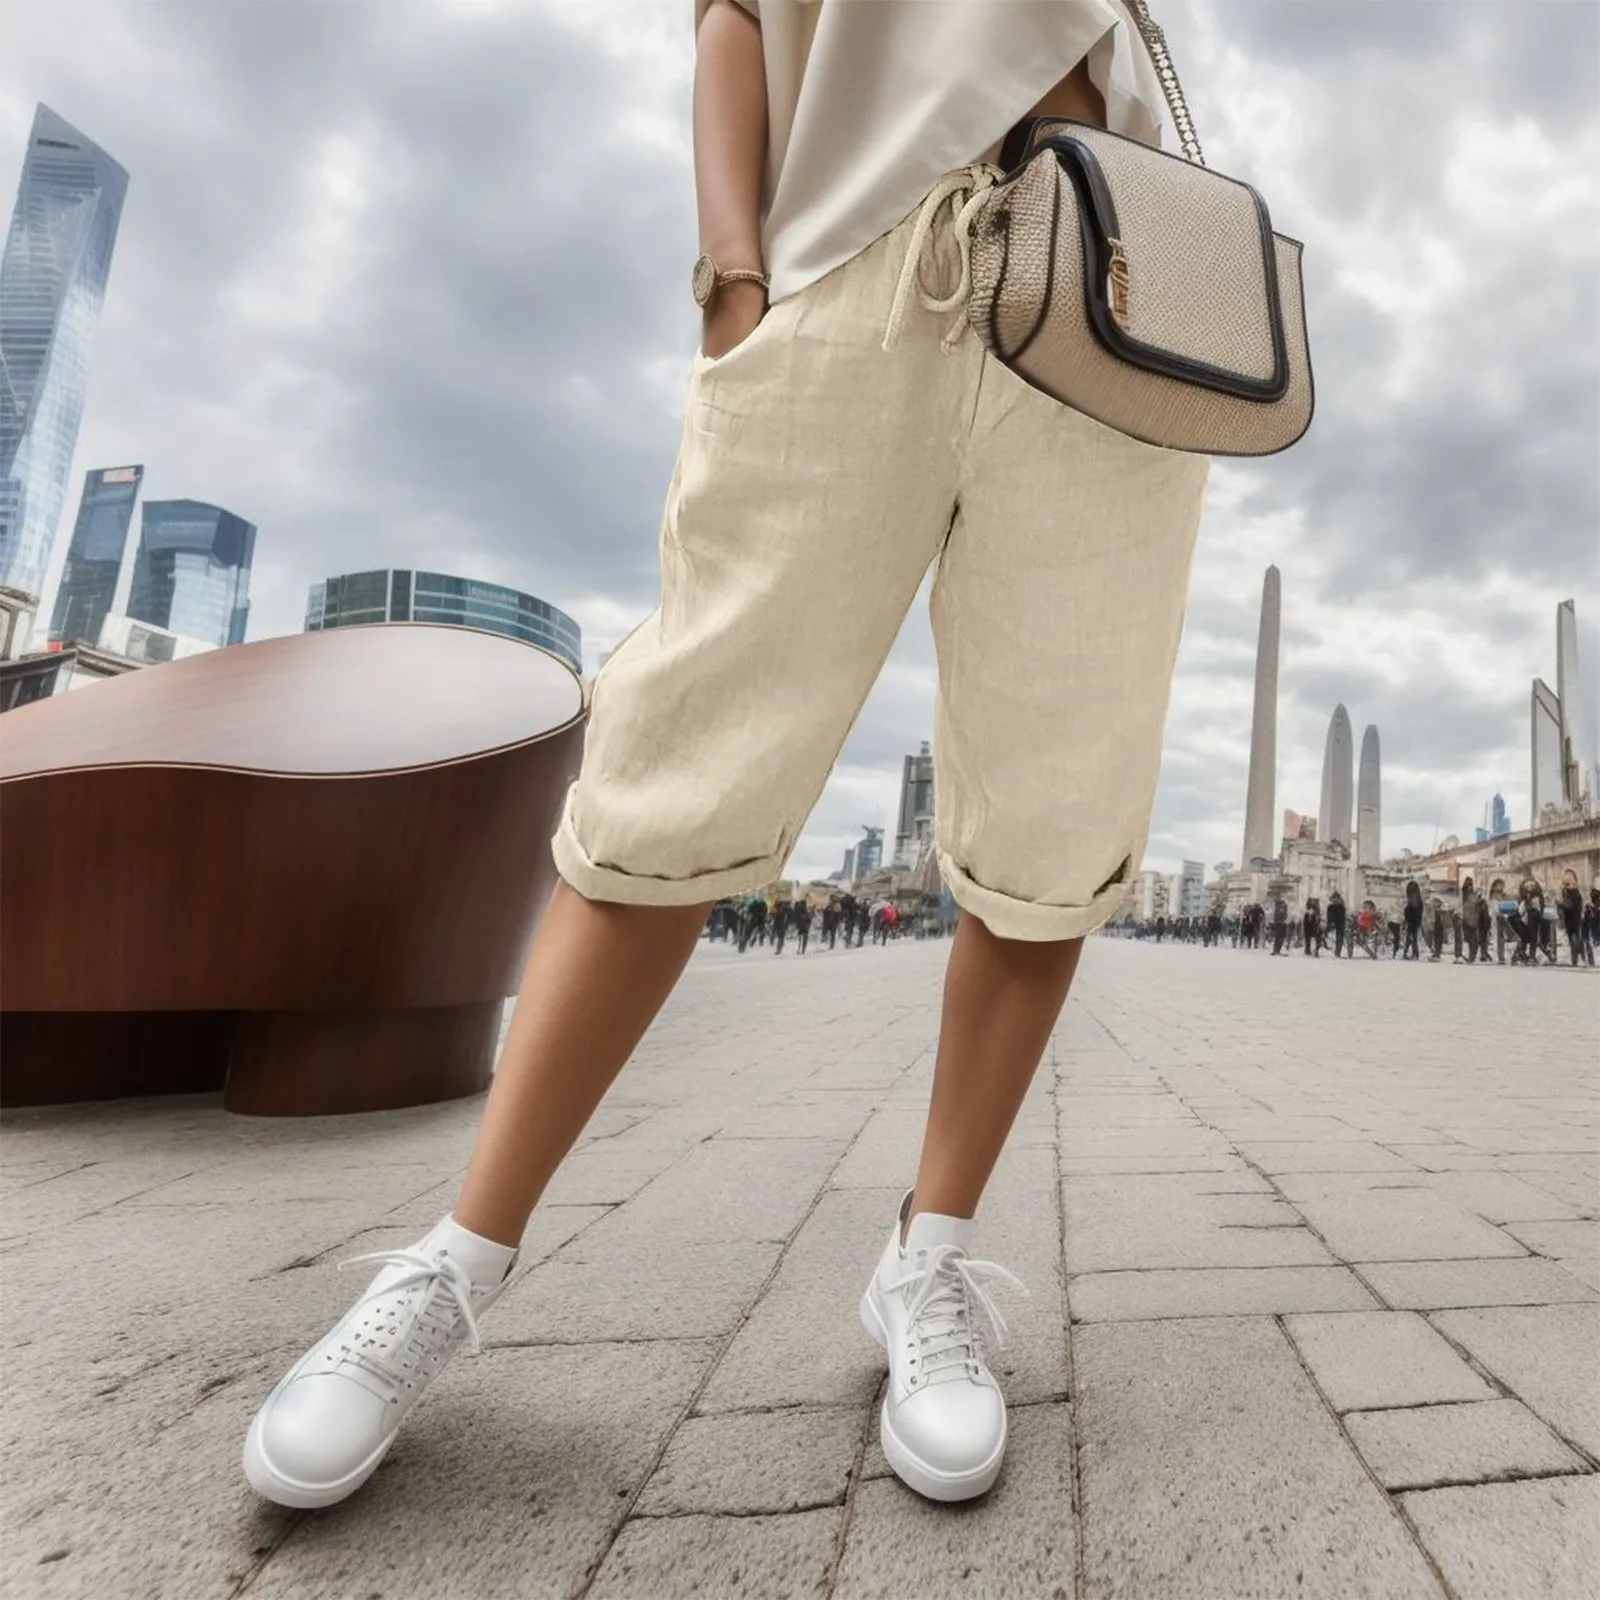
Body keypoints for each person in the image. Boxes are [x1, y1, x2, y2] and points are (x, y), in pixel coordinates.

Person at [242, 0, 1204, 1514]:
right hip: (860, 255)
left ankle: (927, 1263)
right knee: (684, 766)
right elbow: (734, 18)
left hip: (1106, 294)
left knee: (1056, 815)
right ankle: (452, 1262)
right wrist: (734, 280)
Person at [1402, 880, 1423, 960]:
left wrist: (1406, 917)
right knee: (1412, 937)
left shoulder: (1412, 898)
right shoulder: (1418, 898)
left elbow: (1410, 910)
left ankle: (1413, 953)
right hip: (1415, 920)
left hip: (1412, 920)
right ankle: (1412, 953)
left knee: (1411, 937)